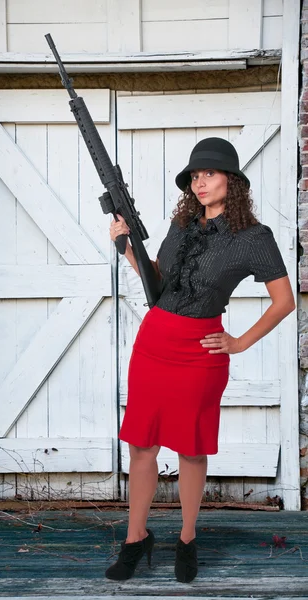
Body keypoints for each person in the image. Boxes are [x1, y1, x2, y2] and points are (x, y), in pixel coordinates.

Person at [105, 137, 295, 584]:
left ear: (233, 180)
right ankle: (136, 538)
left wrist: (241, 341)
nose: (200, 182)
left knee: (190, 447)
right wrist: (127, 247)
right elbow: (159, 282)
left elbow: (284, 300)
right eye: (195, 176)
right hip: (154, 343)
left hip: (200, 351)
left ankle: (187, 538)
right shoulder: (181, 226)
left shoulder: (254, 238)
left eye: (209, 173)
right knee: (142, 443)